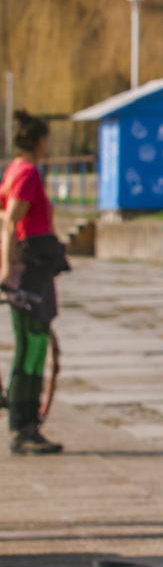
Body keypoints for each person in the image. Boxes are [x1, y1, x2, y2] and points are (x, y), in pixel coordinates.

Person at [1, 111, 68, 454]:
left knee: (31, 346)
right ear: (40, 141)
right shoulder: (27, 173)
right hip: (29, 269)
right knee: (33, 347)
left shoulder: (15, 169)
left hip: (32, 266)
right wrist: (5, 270)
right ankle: (24, 425)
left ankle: (23, 422)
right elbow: (10, 222)